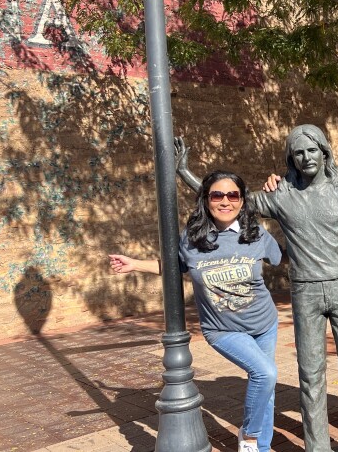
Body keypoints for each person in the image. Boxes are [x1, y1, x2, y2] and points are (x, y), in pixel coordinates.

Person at [176, 125, 338, 452]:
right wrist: (185, 172)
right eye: (298, 153)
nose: (306, 157)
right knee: (311, 376)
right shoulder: (282, 194)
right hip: (305, 292)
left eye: (312, 150)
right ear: (291, 159)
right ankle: (317, 448)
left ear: (324, 152)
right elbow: (228, 198)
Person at [109, 171, 282, 452]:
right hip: (223, 329)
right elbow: (173, 266)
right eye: (217, 195)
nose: (225, 201)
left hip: (264, 322)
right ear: (206, 199)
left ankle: (259, 447)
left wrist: (282, 197)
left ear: (241, 200)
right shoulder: (192, 238)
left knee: (266, 383)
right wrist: (135, 264)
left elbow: (282, 255)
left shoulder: (257, 234)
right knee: (265, 374)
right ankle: (249, 437)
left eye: (232, 195)